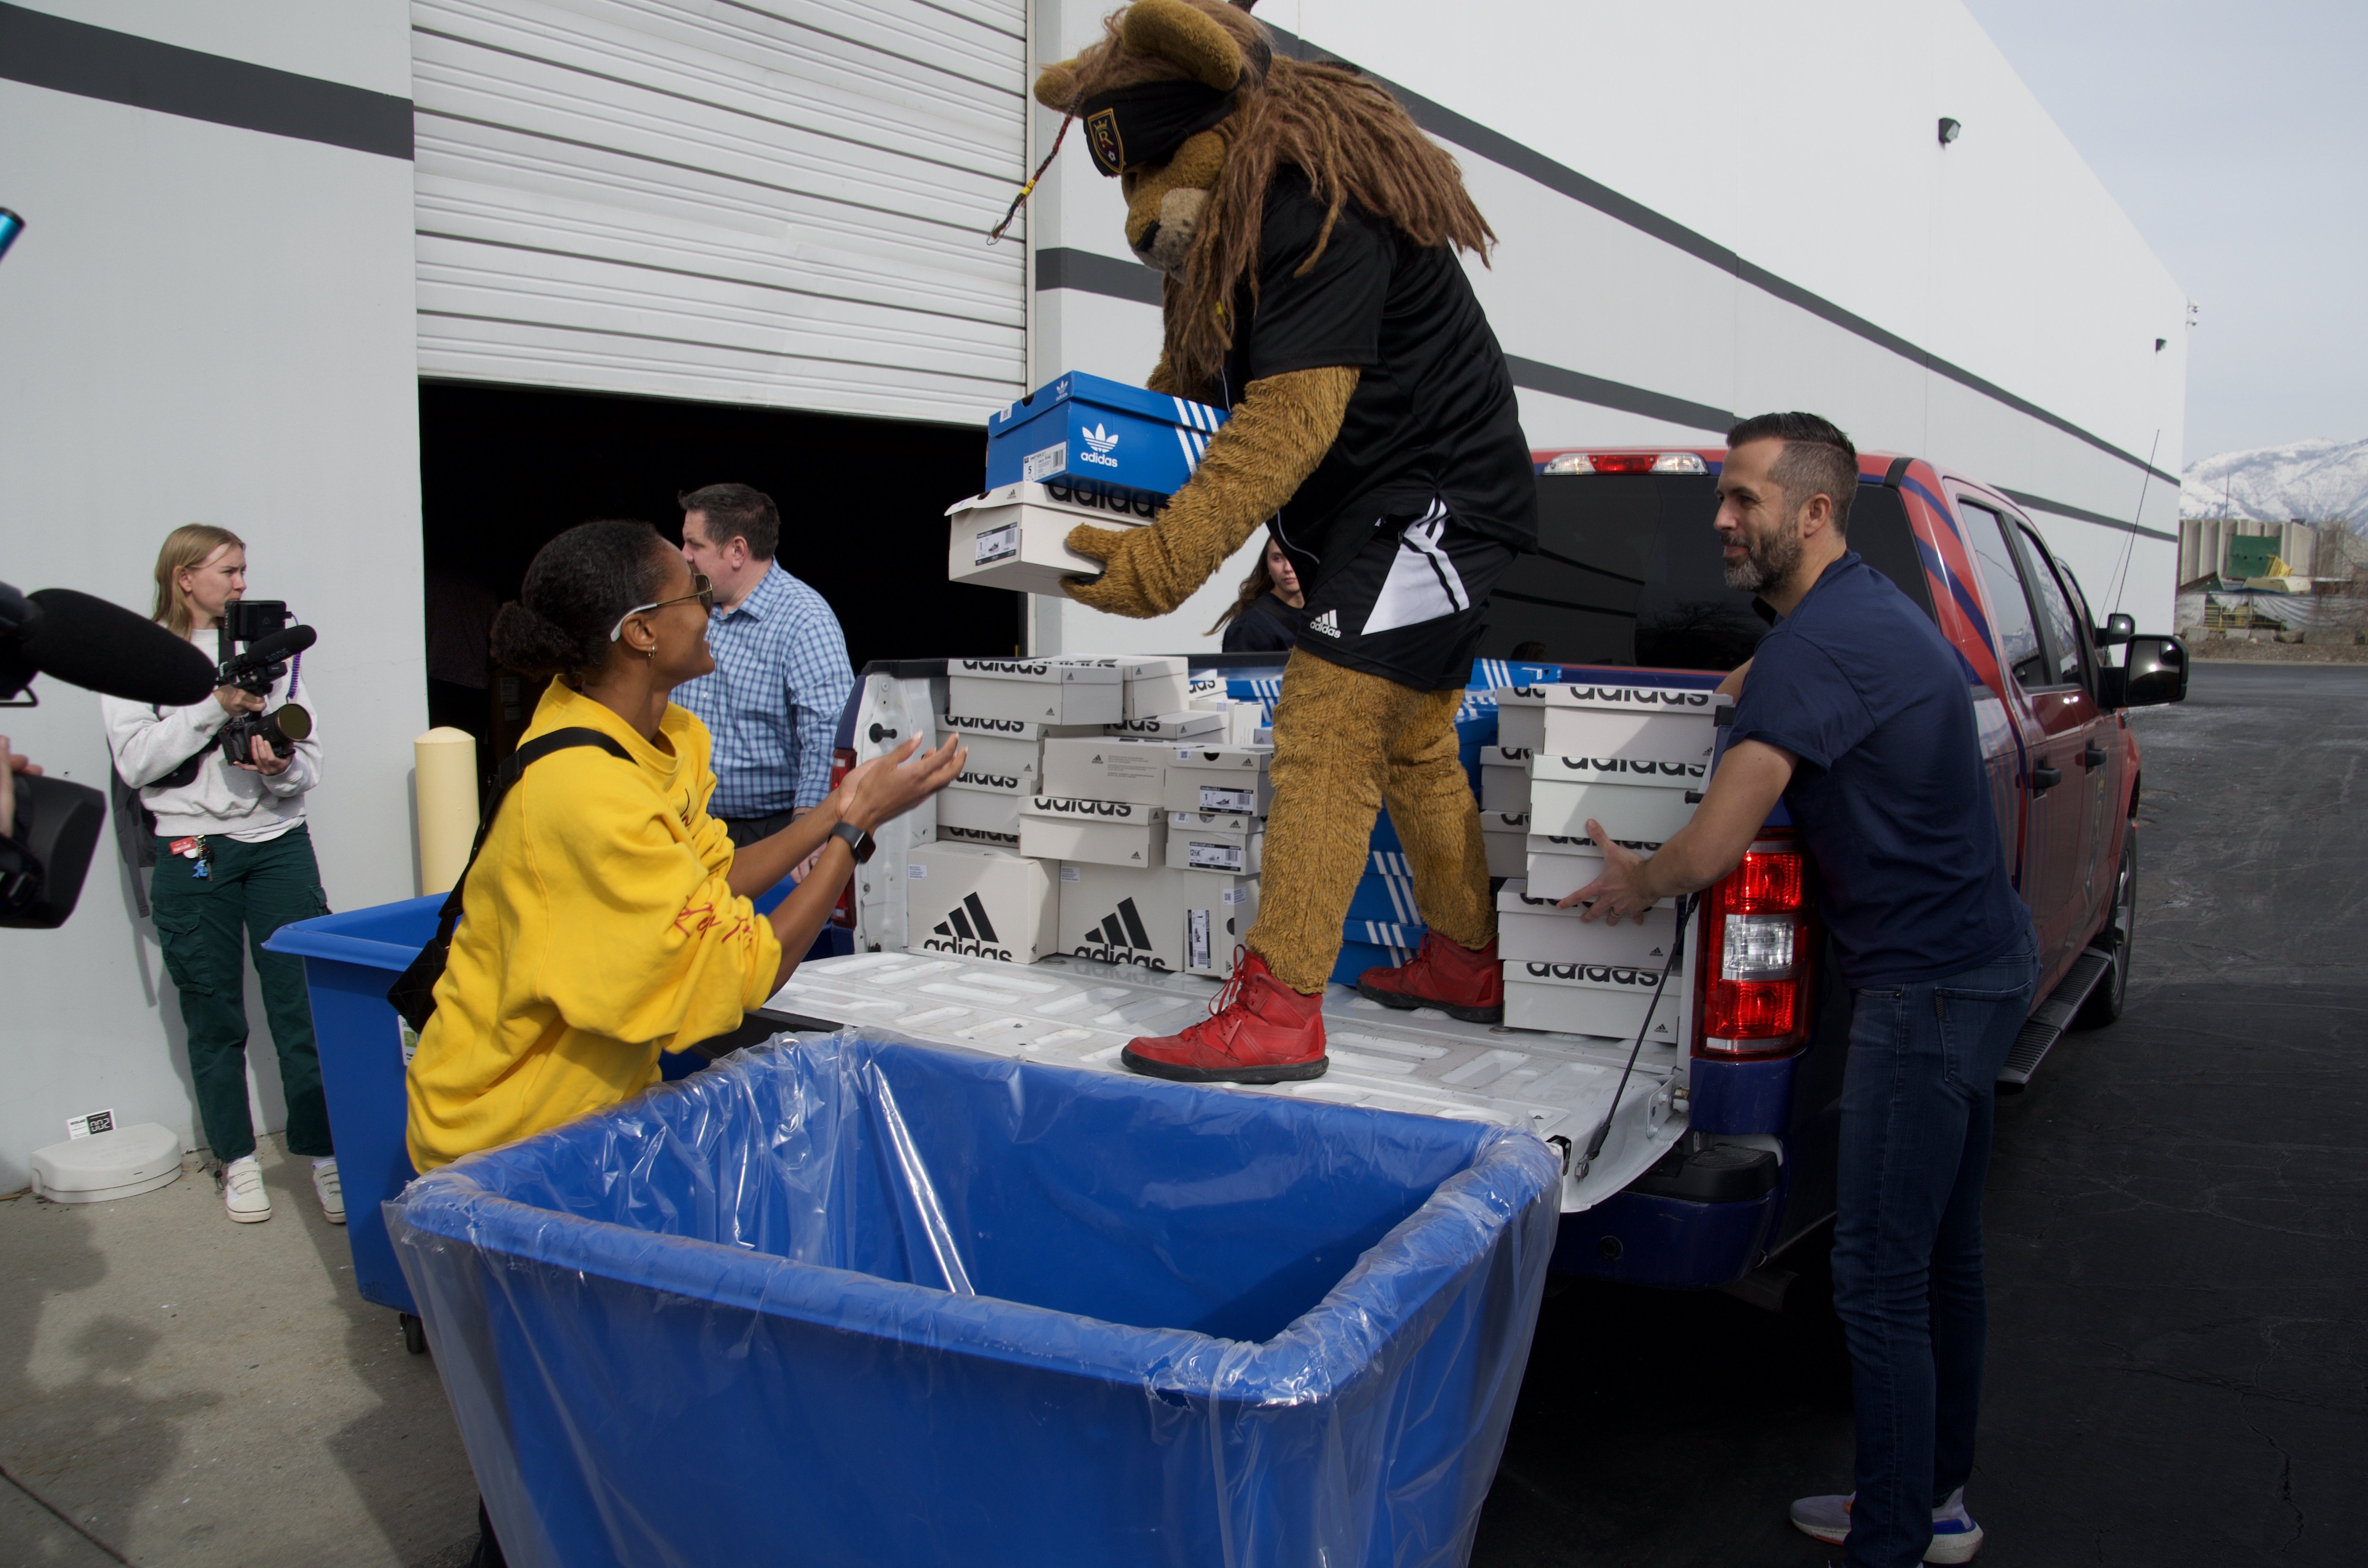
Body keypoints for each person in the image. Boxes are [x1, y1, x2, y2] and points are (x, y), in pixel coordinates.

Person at [1558, 413, 2038, 1568]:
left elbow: (1711, 851)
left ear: (1814, 512)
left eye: (1744, 501)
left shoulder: (1816, 653)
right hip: (1987, 967)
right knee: (1942, 1261)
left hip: (1921, 996)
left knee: (1874, 1279)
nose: (1721, 519)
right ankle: (1935, 1504)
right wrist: (1738, 681)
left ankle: (1889, 1540)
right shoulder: (1863, 609)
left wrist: (1634, 880)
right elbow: (1764, 671)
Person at [405, 519, 961, 1176]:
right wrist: (855, 830)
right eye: (693, 589)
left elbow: (714, 879)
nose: (710, 605)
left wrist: (835, 810)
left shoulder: (662, 736)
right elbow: (748, 968)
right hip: (504, 1143)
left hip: (588, 1121)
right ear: (640, 631)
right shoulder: (586, 794)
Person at [102, 526, 339, 1227]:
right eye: (228, 570)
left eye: (244, 570)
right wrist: (218, 708)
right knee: (212, 1013)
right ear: (183, 576)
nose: (241, 583)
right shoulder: (135, 656)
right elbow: (137, 763)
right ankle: (237, 1161)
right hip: (192, 849)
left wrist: (279, 764)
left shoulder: (272, 650)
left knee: (301, 1005)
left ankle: (325, 1157)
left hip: (278, 843)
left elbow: (311, 762)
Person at [669, 482, 854, 849]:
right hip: (681, 825)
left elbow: (827, 733)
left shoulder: (803, 619)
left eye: (696, 544)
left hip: (764, 832)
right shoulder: (683, 606)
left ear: (737, 550)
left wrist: (808, 832)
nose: (683, 554)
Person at [1211, 534, 1307, 652]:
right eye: (1277, 559)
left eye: (1294, 556)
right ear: (1267, 565)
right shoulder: (1252, 625)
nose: (1288, 568)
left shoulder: (1326, 611)